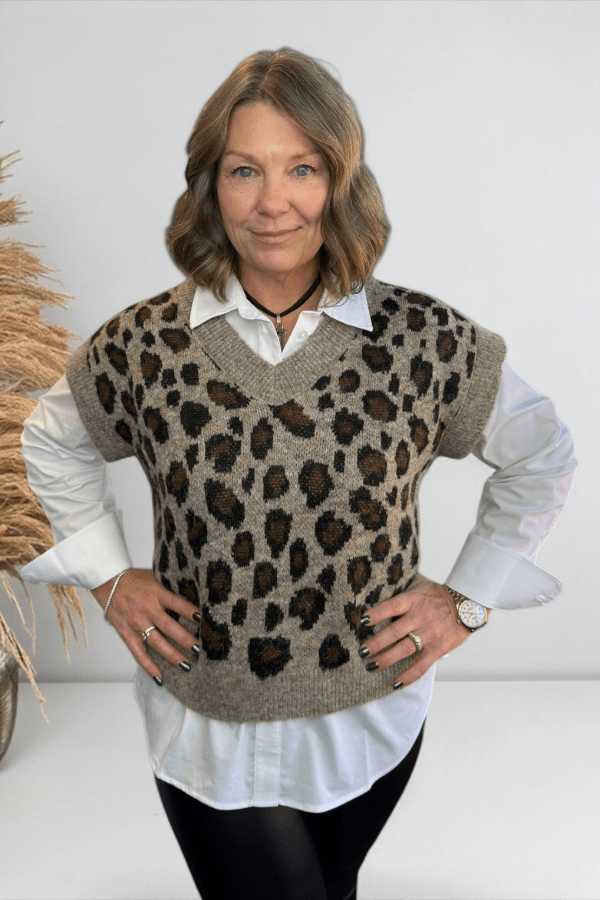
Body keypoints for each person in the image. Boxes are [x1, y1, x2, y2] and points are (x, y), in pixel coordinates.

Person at [21, 48, 577, 900]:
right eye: (244, 170)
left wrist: (467, 599)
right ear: (210, 185)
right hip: (204, 721)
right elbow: (52, 440)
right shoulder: (143, 346)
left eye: (303, 169)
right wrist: (107, 578)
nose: (272, 203)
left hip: (372, 719)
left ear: (341, 181)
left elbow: (542, 453)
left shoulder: (424, 342)